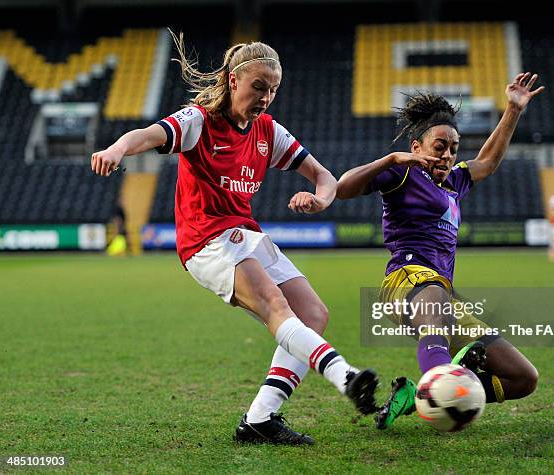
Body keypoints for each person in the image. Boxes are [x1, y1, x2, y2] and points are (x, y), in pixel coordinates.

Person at [91, 34, 378, 445]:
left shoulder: (266, 130)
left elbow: (325, 176)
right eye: (259, 86)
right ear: (232, 80)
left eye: (273, 89)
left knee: (313, 313)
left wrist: (320, 199)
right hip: (206, 241)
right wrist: (117, 150)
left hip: (245, 234)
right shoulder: (199, 121)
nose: (266, 96)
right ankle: (345, 375)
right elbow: (148, 134)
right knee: (276, 307)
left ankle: (260, 420)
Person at [336, 73, 543, 429]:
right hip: (406, 281)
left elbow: (489, 161)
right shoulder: (403, 175)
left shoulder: (455, 182)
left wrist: (512, 109)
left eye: (453, 148)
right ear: (416, 147)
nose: (447, 155)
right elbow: (343, 189)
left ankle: (421, 398)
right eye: (439, 146)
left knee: (523, 378)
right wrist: (390, 161)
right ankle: (444, 383)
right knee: (434, 298)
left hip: (444, 297)